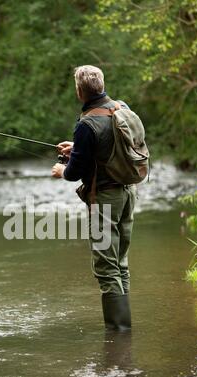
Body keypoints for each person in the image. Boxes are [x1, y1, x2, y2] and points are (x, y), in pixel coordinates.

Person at [51, 65, 136, 330]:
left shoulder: (86, 124)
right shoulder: (120, 107)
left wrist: (62, 169)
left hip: (106, 200)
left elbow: (75, 173)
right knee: (119, 262)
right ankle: (124, 330)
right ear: (101, 85)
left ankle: (119, 333)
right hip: (128, 193)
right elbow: (112, 146)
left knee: (106, 266)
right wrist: (78, 147)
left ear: (79, 91)